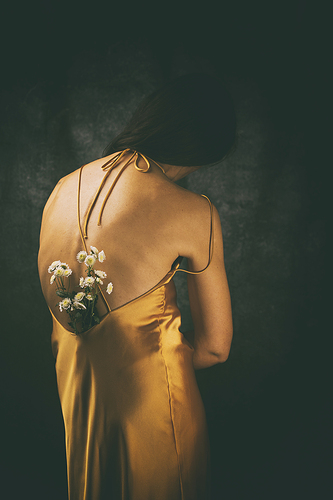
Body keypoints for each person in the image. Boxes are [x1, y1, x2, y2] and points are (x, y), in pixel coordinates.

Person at [38, 72, 236, 500]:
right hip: (155, 414)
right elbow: (215, 348)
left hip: (80, 404)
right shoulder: (193, 211)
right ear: (204, 148)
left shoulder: (62, 189)